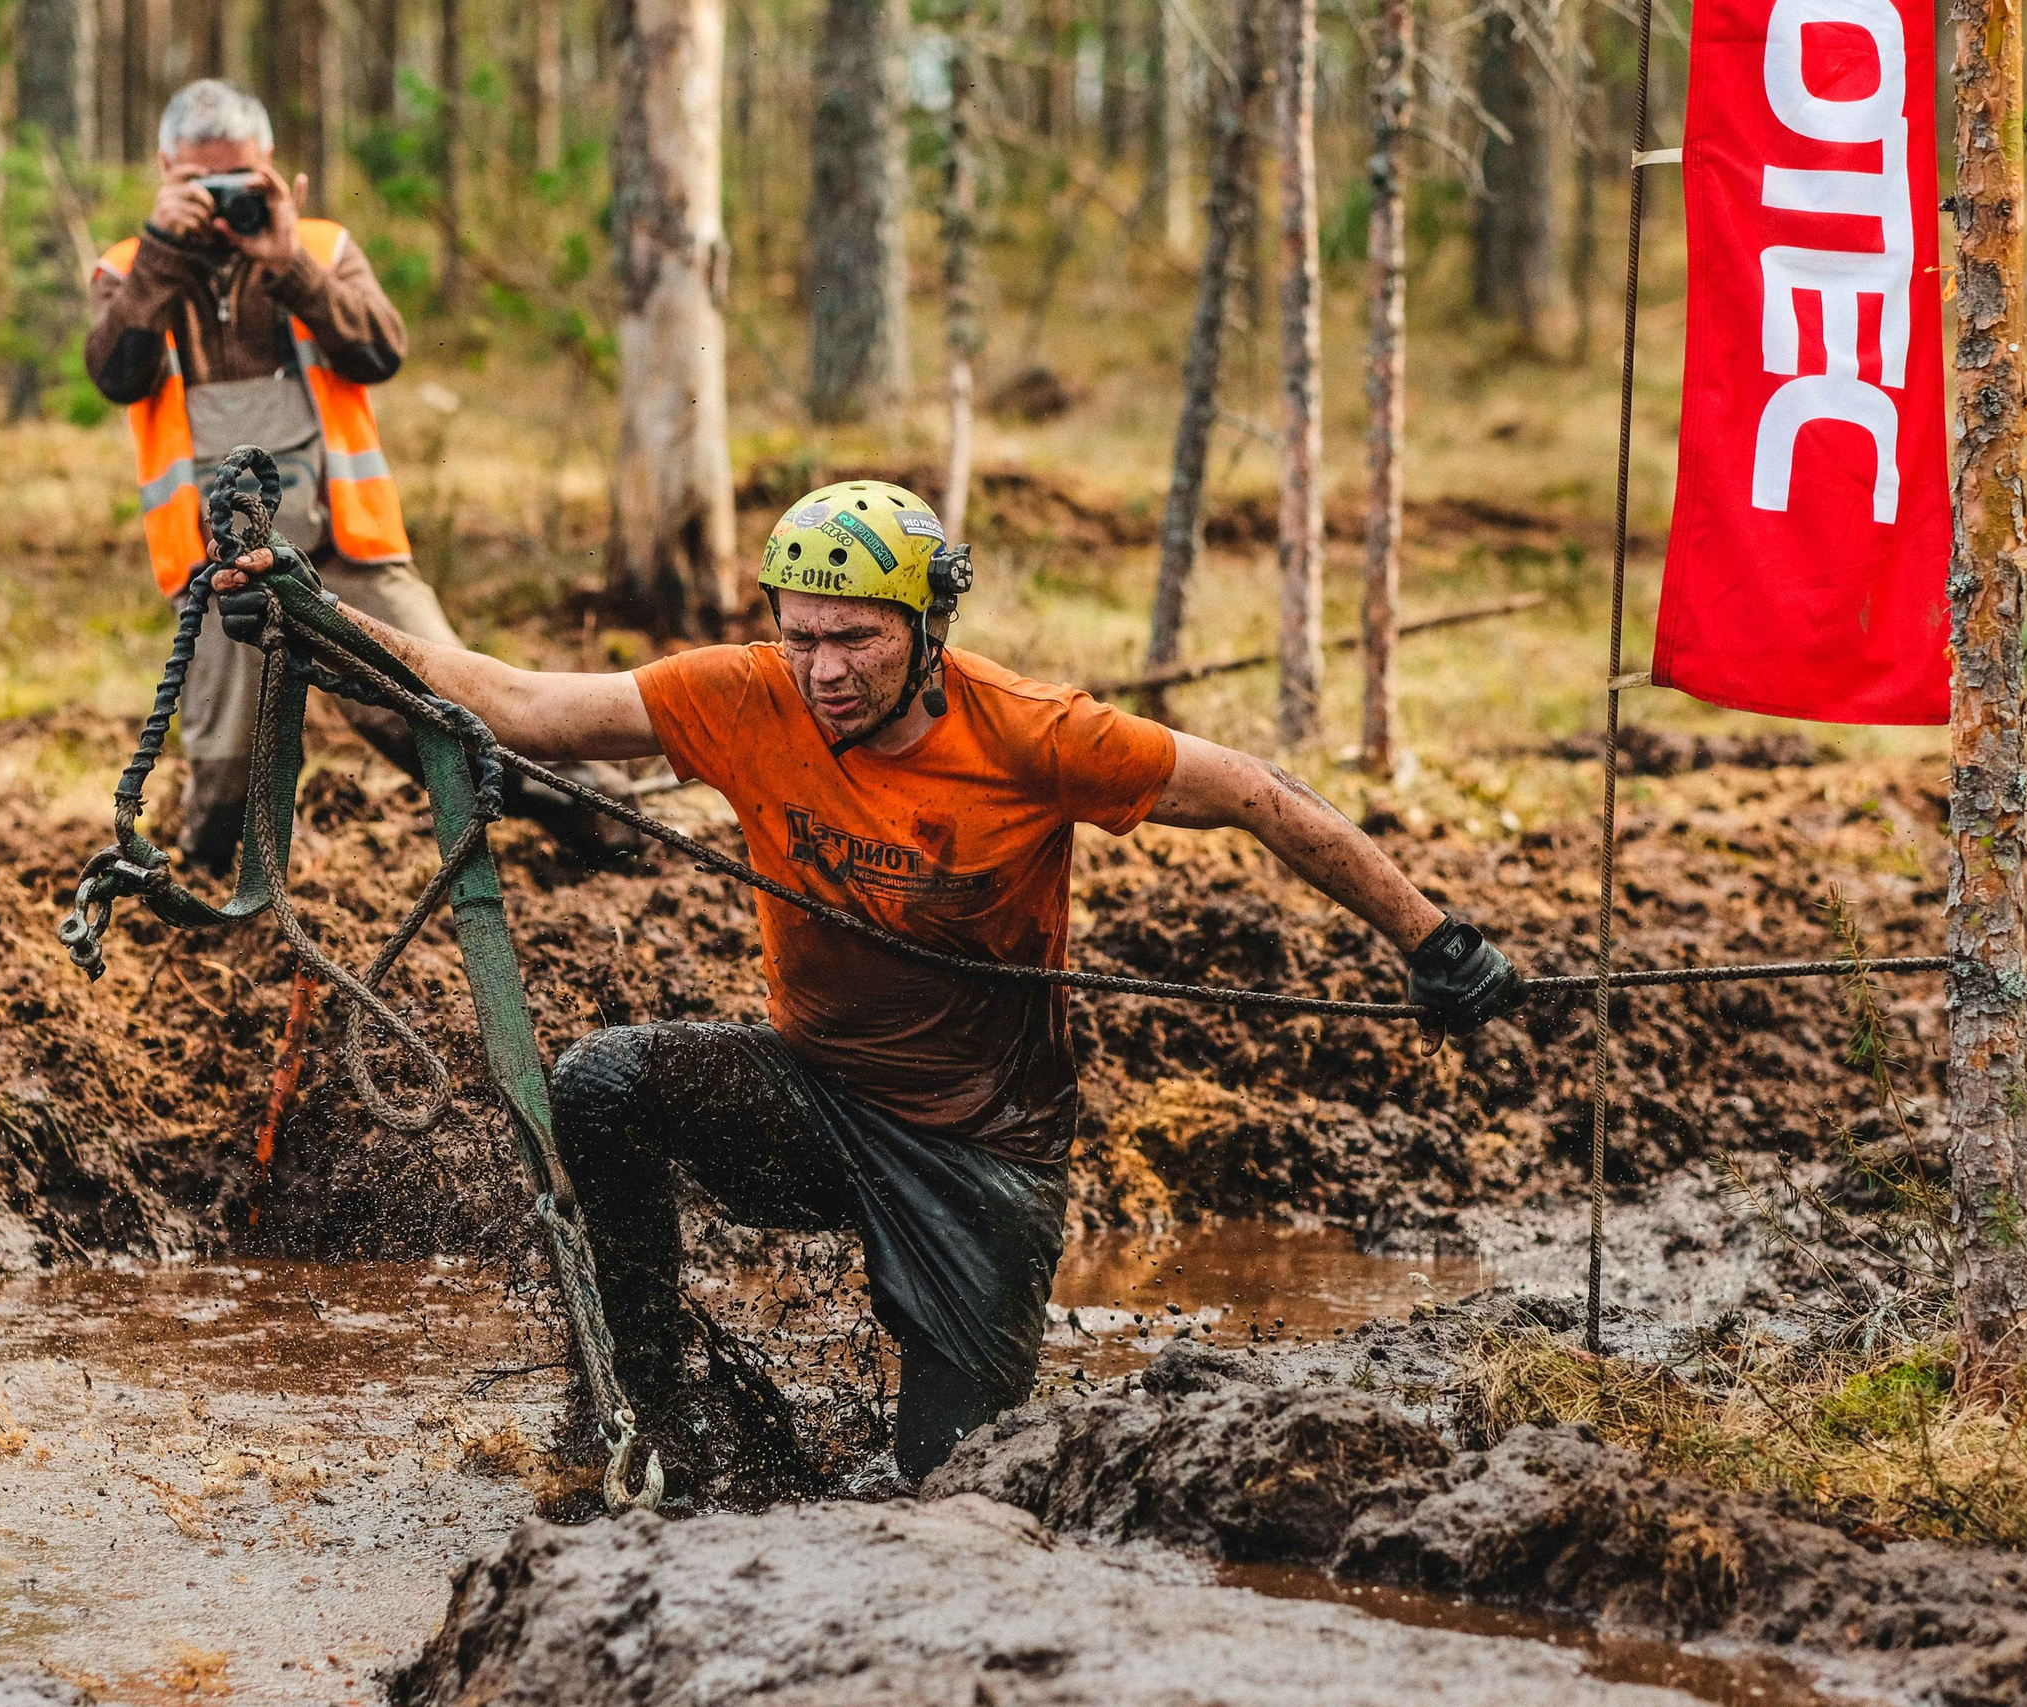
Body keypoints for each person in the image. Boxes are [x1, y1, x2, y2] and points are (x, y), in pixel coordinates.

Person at [213, 479, 1526, 1488]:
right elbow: (514, 701)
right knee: (606, 1079)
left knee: (954, 1488)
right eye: (801, 639)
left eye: (854, 640)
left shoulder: (1033, 733)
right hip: (816, 1098)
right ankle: (644, 1422)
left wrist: (1431, 937)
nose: (825, 669)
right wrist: (320, 615)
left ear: (924, 628)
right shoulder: (744, 697)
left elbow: (1257, 791)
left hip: (981, 1156)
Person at [85, 78, 445, 875]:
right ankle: (213, 897)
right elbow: (117, 375)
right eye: (200, 185)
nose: (221, 205)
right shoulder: (130, 266)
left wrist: (289, 266)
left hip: (347, 543)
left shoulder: (320, 248)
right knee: (224, 764)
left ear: (272, 167)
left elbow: (380, 352)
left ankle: (598, 822)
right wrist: (162, 255)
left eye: (238, 184)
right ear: (165, 168)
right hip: (218, 564)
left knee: (452, 705)